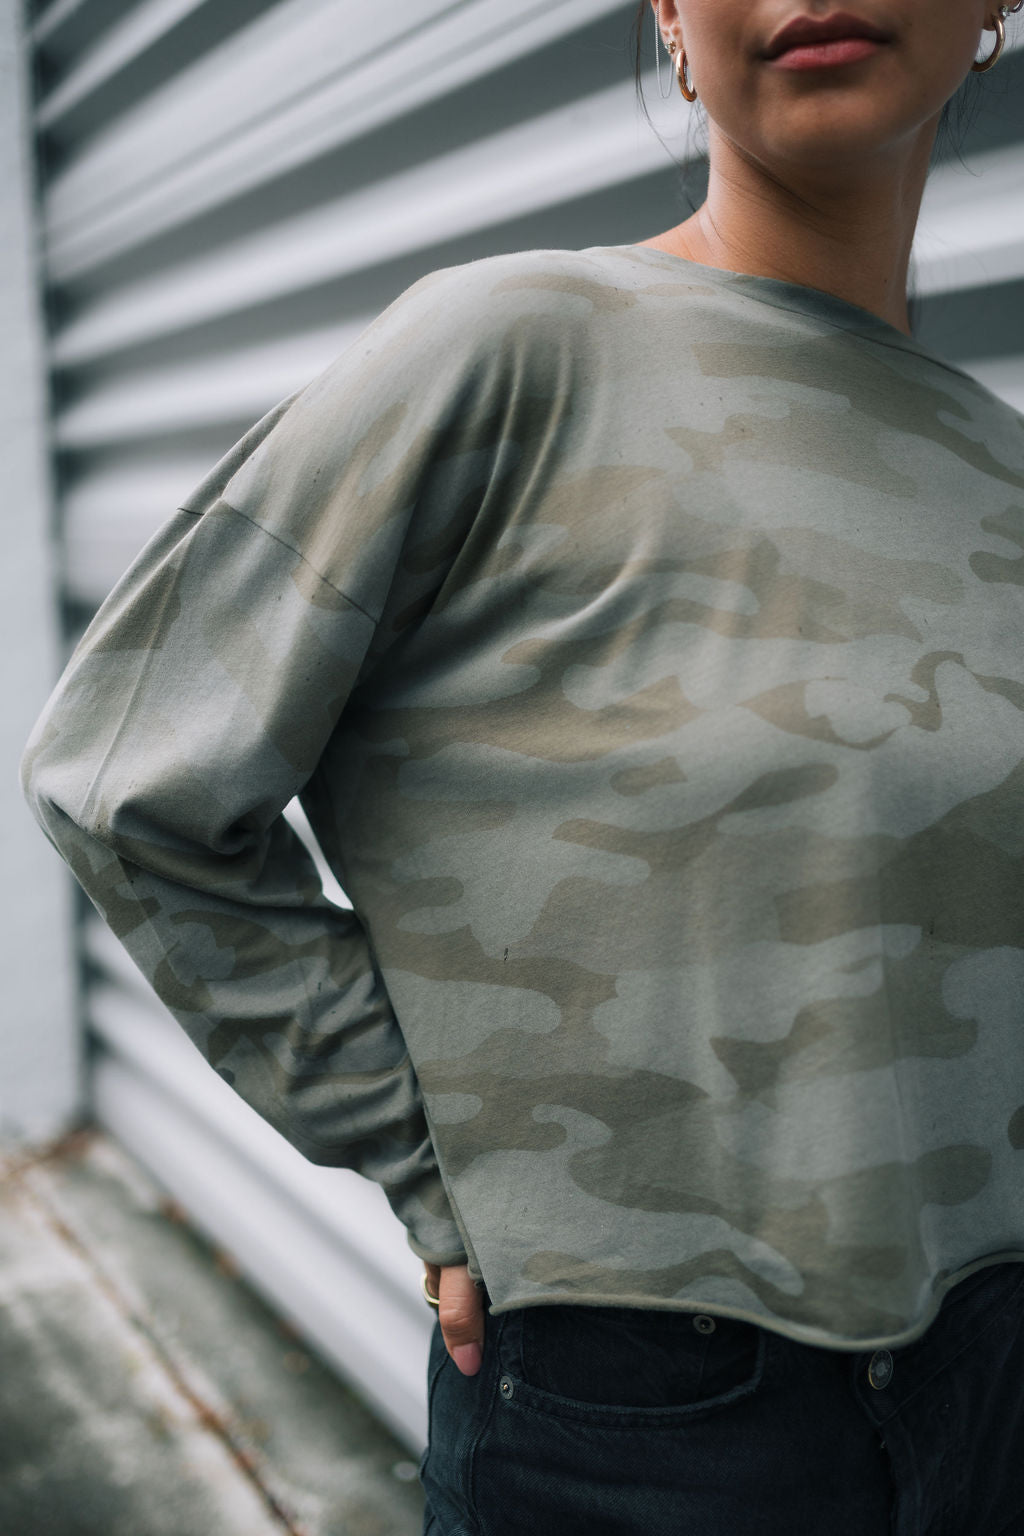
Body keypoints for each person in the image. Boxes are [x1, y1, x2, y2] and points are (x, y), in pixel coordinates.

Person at [21, 0, 1024, 1530]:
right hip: (649, 1404)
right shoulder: (508, 351)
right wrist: (422, 1154)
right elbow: (124, 778)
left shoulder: (1001, 472)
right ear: (672, 20)